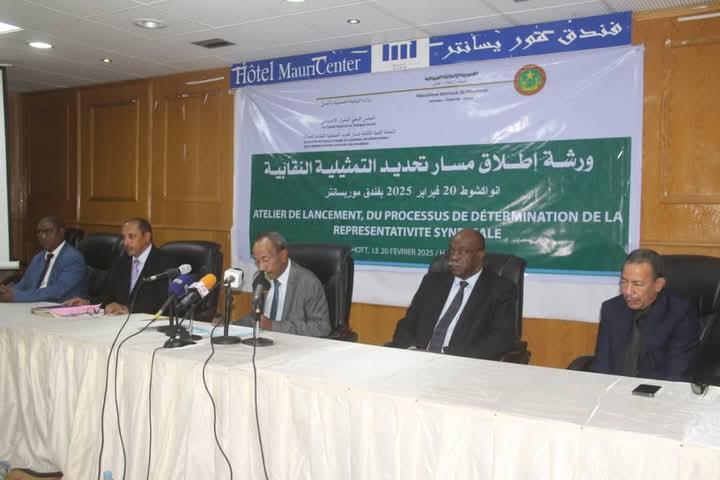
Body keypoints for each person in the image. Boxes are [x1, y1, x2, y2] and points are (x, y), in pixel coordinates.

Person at [389, 228, 517, 359]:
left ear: (480, 255)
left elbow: (501, 338)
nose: (454, 257)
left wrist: (448, 356)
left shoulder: (499, 289)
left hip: (460, 362)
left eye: (463, 251)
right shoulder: (432, 282)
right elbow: (407, 323)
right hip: (417, 357)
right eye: (452, 251)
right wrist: (411, 349)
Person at [591, 249, 700, 381]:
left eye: (637, 284)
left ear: (658, 285)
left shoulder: (680, 314)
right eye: (624, 282)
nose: (628, 291)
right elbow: (602, 365)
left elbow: (677, 373)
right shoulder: (611, 309)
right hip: (614, 389)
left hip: (655, 390)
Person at [66, 218, 175, 315]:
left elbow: (164, 302)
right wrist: (88, 303)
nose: (125, 243)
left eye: (131, 237)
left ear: (147, 237)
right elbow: (108, 296)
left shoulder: (164, 263)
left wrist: (128, 309)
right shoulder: (121, 261)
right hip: (117, 321)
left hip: (145, 323)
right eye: (124, 237)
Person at [237, 231, 331, 337]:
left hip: (293, 345)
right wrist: (231, 326)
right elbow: (256, 317)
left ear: (283, 256)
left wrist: (273, 326)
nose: (261, 267)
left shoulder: (308, 283)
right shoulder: (260, 278)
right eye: (257, 261)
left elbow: (321, 328)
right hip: (262, 341)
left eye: (265, 260)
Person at [0, 216, 87, 303]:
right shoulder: (38, 258)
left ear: (61, 232)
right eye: (39, 232)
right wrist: (6, 291)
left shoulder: (73, 258)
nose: (43, 236)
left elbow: (57, 290)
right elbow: (24, 284)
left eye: (48, 231)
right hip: (36, 304)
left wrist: (15, 296)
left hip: (61, 305)